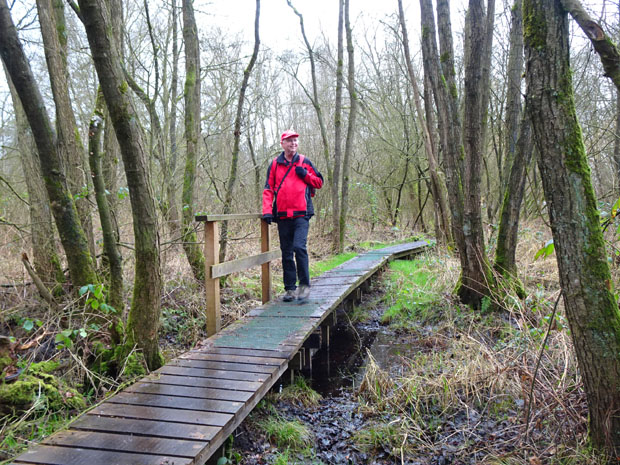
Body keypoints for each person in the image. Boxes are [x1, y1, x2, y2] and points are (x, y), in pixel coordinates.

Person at [262, 130, 324, 302]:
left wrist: (306, 175)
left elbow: (319, 182)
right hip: (282, 215)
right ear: (282, 143)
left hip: (302, 214)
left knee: (299, 247)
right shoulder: (275, 164)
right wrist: (267, 210)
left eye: (295, 140)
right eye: (289, 141)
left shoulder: (305, 162)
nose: (293, 144)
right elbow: (268, 189)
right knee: (287, 252)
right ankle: (290, 289)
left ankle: (304, 287)